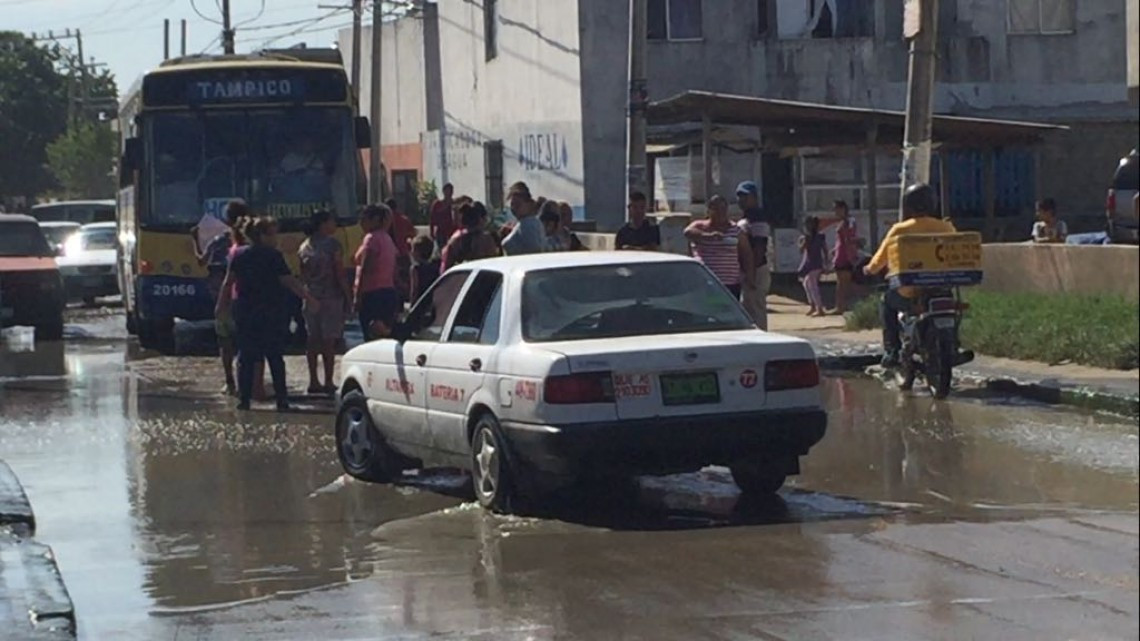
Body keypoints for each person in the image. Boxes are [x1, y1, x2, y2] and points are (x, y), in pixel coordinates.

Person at [217, 216, 320, 411]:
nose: (277, 238)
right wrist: (309, 298)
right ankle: (282, 401)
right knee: (274, 355)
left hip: (245, 310)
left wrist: (221, 307)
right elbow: (289, 281)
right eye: (273, 234)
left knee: (246, 355)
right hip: (271, 309)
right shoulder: (273, 255)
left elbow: (228, 282)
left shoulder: (238, 254)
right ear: (263, 236)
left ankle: (244, 400)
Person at [864, 183, 957, 367]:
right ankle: (953, 347)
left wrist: (869, 269)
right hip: (942, 288)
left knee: (886, 302)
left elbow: (880, 259)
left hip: (911, 292)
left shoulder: (900, 229)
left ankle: (892, 350)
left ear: (908, 205)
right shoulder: (946, 227)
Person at [196, 199, 249, 396]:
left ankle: (230, 382)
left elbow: (201, 261)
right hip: (247, 299)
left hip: (223, 300)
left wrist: (195, 239)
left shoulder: (219, 242)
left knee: (226, 342)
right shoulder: (254, 242)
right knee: (247, 342)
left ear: (226, 219)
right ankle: (251, 382)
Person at [299, 210, 352, 395]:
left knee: (312, 340)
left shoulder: (304, 246)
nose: (334, 224)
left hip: (311, 297)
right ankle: (328, 381)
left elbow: (302, 275)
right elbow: (339, 273)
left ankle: (313, 381)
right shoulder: (332, 245)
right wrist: (349, 296)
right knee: (329, 342)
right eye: (331, 221)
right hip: (331, 297)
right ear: (323, 224)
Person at [684, 195, 756, 299]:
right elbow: (687, 232)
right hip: (706, 281)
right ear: (709, 210)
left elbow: (747, 254)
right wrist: (708, 236)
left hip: (730, 283)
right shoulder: (700, 226)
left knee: (727, 312)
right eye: (716, 209)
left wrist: (750, 276)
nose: (720, 212)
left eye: (723, 209)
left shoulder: (736, 230)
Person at [354, 204, 401, 341]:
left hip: (372, 294)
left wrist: (358, 295)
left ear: (374, 219)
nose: (361, 223)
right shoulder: (387, 239)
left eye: (364, 219)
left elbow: (366, 268)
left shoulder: (371, 238)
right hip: (388, 292)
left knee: (371, 336)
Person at [735, 181, 771, 330]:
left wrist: (751, 272)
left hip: (756, 269)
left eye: (745, 196)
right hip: (747, 270)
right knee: (748, 307)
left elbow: (759, 246)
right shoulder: (747, 216)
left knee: (756, 308)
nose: (741, 199)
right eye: (739, 196)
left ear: (754, 197)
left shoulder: (757, 217)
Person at [442, 201, 499, 270]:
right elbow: (495, 264)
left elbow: (446, 268)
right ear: (479, 219)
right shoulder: (486, 240)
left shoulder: (455, 241)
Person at [830, 199, 859, 314]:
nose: (834, 212)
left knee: (843, 282)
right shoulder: (844, 222)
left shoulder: (847, 222)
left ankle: (840, 306)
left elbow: (848, 239)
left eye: (836, 209)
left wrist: (850, 254)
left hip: (844, 255)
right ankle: (842, 305)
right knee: (843, 282)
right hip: (841, 253)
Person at [501, 181, 545, 255]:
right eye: (512, 205)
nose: (514, 208)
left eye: (518, 204)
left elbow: (534, 250)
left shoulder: (528, 224)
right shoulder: (528, 223)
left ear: (528, 204)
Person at [386, 197, 417, 301]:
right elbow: (413, 233)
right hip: (402, 252)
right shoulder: (403, 219)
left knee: (392, 278)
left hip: (389, 254)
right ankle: (405, 296)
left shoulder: (385, 221)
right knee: (405, 277)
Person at [798, 216, 829, 316]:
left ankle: (819, 308)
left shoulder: (812, 237)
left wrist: (802, 242)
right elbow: (825, 249)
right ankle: (813, 305)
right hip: (813, 263)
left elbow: (801, 250)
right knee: (806, 283)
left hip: (813, 263)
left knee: (812, 285)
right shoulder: (817, 236)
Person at [410, 235, 441, 302]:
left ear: (417, 252)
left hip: (420, 301)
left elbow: (415, 289)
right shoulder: (434, 267)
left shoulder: (415, 269)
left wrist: (412, 304)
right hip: (431, 300)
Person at [429, 183, 456, 249]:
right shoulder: (437, 204)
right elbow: (432, 218)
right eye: (447, 191)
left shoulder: (455, 204)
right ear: (443, 191)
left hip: (452, 231)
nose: (449, 193)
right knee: (442, 249)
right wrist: (432, 231)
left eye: (450, 191)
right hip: (441, 231)